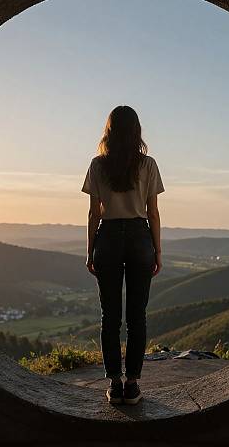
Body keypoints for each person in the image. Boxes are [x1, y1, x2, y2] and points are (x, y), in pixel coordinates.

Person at [81, 105, 164, 405]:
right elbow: (153, 212)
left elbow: (94, 213)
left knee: (110, 316)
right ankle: (133, 385)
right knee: (136, 316)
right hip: (140, 237)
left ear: (109, 131)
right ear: (136, 130)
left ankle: (115, 384)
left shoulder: (97, 165)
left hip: (109, 238)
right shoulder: (149, 164)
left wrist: (90, 250)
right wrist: (157, 250)